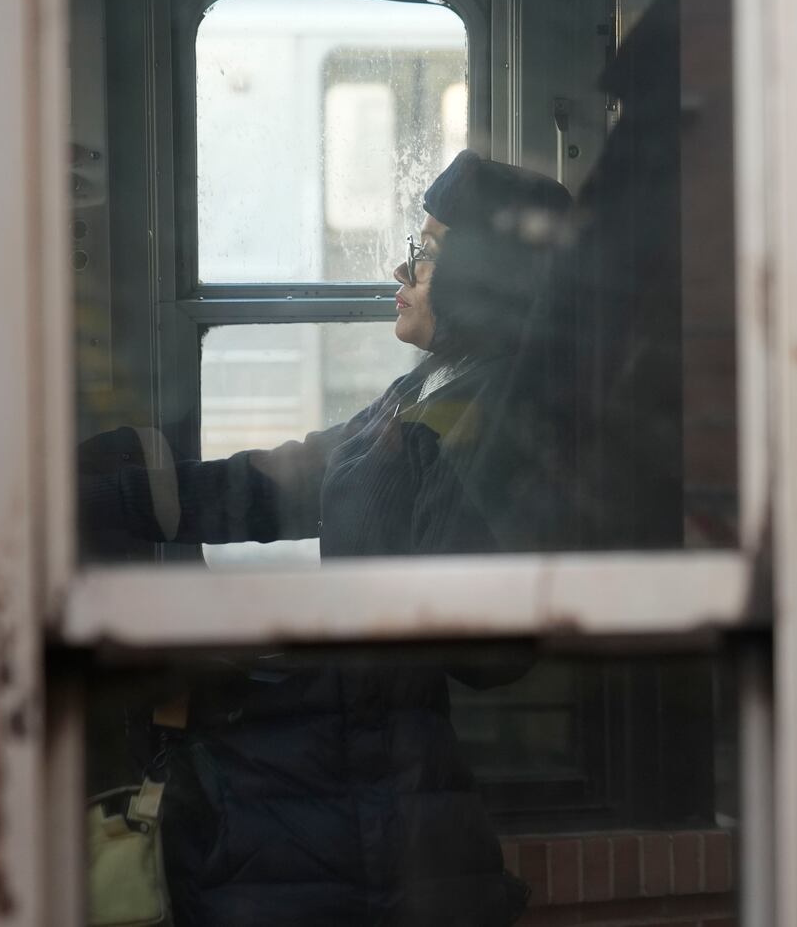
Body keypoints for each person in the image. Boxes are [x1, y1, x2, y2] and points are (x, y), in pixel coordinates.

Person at [80, 152, 575, 926]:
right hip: (338, 797)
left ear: (483, 274)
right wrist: (105, 499)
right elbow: (285, 480)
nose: (403, 266)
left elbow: (486, 648)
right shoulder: (424, 392)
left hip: (363, 823)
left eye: (431, 248)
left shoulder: (486, 425)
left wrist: (244, 666)